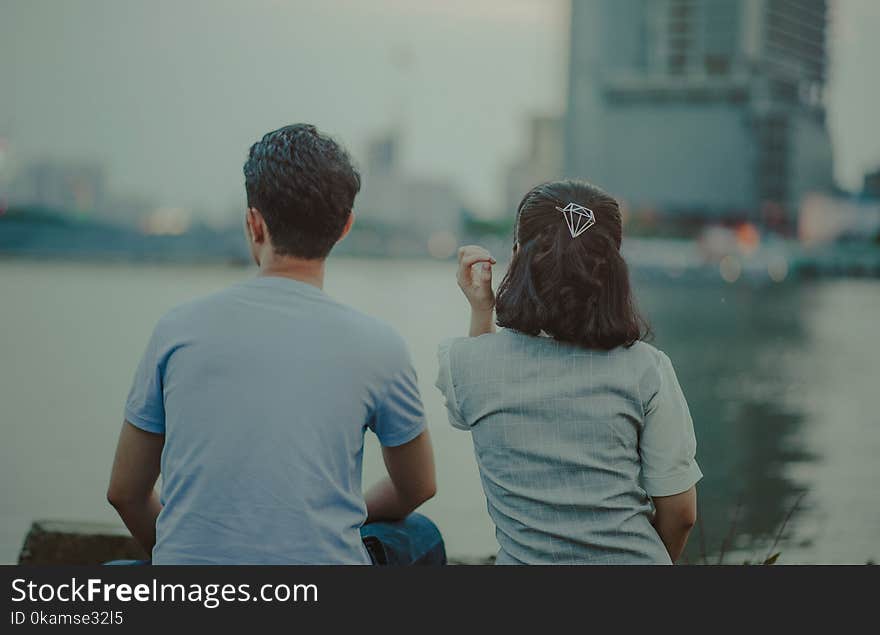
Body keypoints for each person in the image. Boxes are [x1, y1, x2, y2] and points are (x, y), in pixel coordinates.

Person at [107, 124, 444, 565]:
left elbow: (125, 493)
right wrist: (339, 516)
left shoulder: (176, 330)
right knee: (419, 536)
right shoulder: (381, 346)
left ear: (254, 222)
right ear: (345, 227)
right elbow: (417, 488)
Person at [435, 179, 701, 564]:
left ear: (515, 256)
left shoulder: (464, 365)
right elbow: (682, 514)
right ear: (613, 268)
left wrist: (482, 309)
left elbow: (475, 395)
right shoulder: (647, 370)